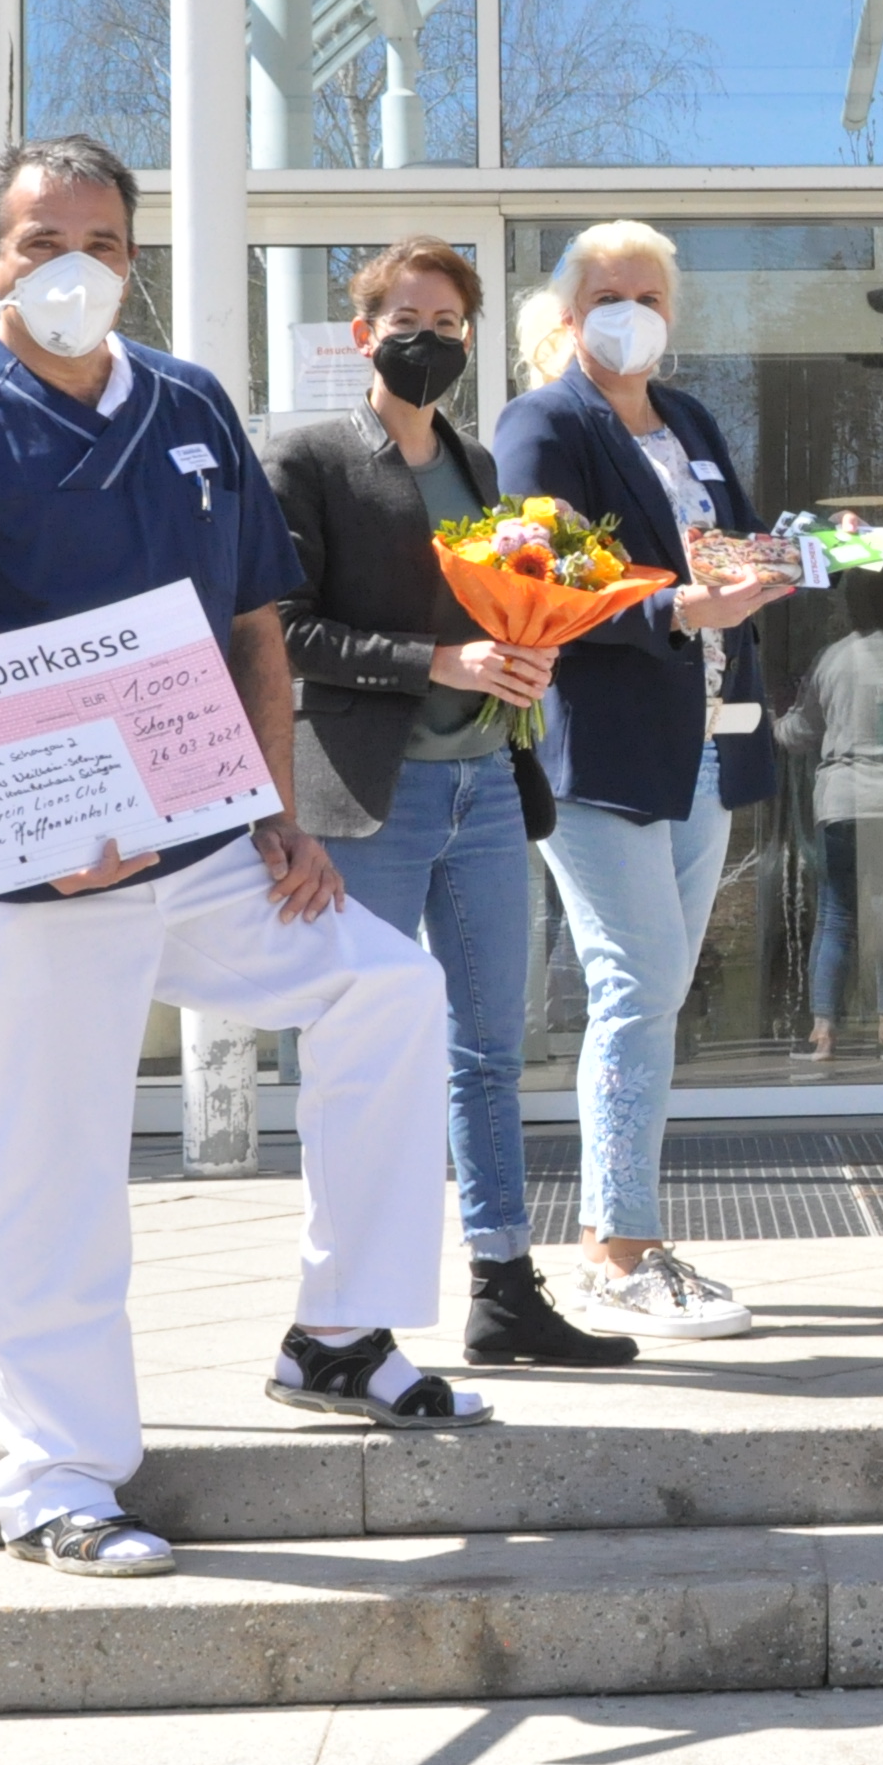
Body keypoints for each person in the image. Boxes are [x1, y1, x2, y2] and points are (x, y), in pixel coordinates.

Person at [0, 136, 479, 1589]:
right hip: (31, 881)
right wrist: (25, 838)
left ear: (135, 257)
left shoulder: (189, 403)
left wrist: (274, 812)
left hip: (201, 845)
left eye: (105, 242)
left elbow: (256, 626)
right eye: (41, 239)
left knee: (387, 991)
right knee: (52, 1163)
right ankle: (57, 1477)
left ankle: (336, 1333)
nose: (75, 266)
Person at [261, 234, 638, 1373]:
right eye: (406, 319)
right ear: (364, 332)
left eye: (450, 324)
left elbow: (500, 616)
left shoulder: (479, 467)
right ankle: (349, 1310)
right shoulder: (310, 457)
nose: (429, 339)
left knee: (486, 1048)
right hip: (366, 799)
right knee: (363, 1054)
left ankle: (503, 1285)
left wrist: (522, 660)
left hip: (482, 786)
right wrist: (438, 662)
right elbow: (283, 631)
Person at [494, 219, 804, 1342]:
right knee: (637, 984)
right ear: (568, 315)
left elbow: (731, 544)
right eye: (608, 293)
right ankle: (617, 1249)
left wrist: (787, 560)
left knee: (657, 993)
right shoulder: (543, 423)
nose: (632, 311)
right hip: (604, 751)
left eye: (650, 295)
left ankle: (621, 1238)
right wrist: (677, 604)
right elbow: (546, 570)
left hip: (711, 741)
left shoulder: (692, 419)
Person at [780, 566, 883, 1067]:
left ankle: (823, 1032)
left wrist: (761, 723)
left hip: (844, 803)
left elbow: (799, 731)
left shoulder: (834, 657)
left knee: (836, 916)